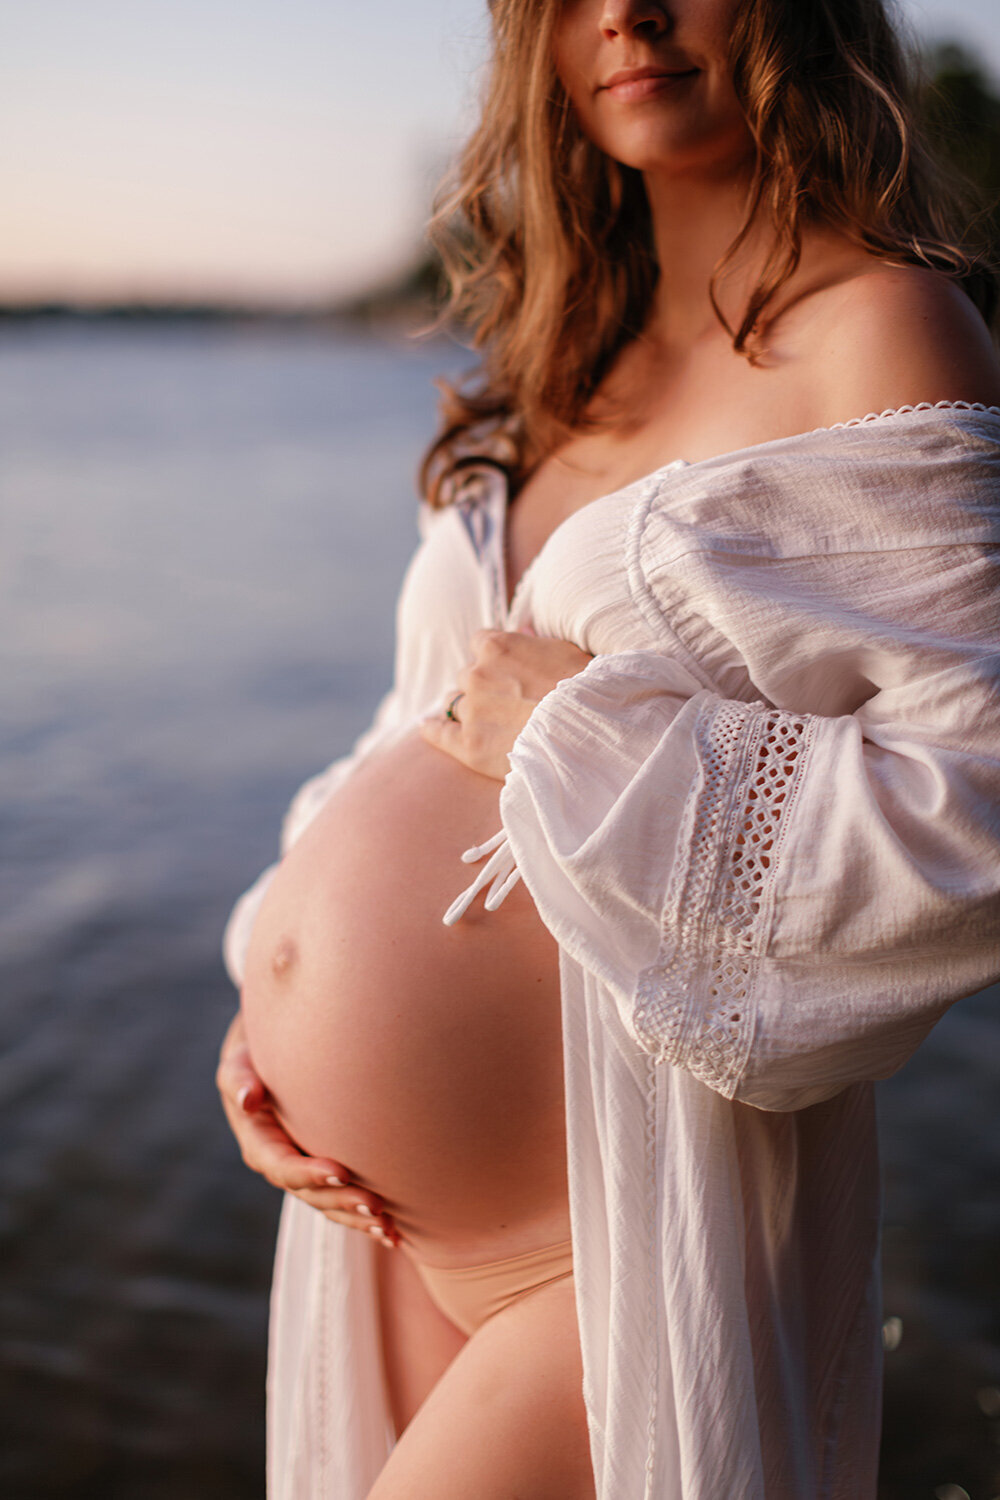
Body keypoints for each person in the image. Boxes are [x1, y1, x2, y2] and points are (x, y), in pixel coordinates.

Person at [216, 1, 1000, 1495]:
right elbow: (418, 723)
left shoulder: (881, 325)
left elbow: (978, 808)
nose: (626, 17)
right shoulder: (550, 366)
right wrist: (266, 1001)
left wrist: (575, 738)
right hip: (365, 1223)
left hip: (609, 1239)